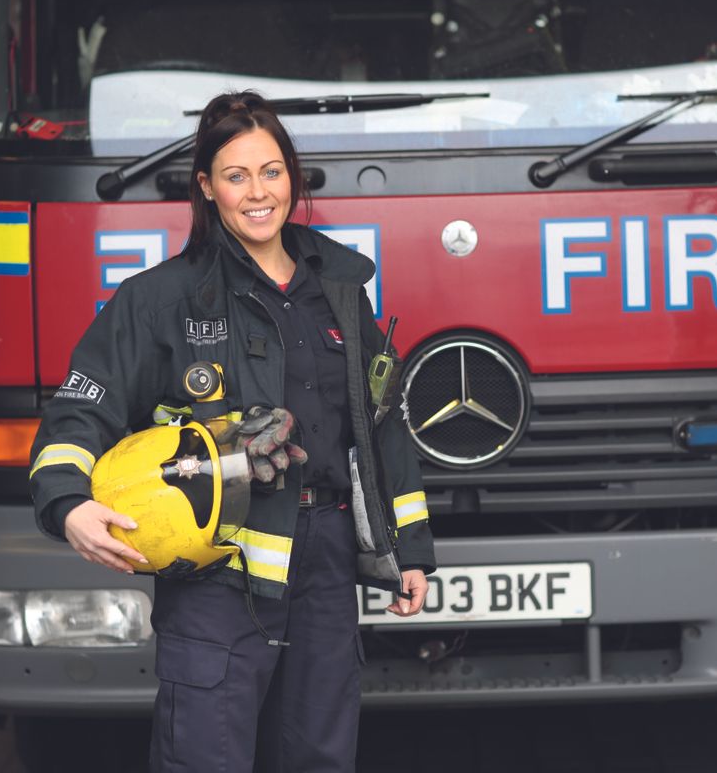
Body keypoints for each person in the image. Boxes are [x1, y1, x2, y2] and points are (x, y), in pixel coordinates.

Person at [28, 90, 435, 772]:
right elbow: (82, 407)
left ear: (293, 179)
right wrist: (67, 503)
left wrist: (410, 548)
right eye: (236, 175)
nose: (258, 192)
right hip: (218, 574)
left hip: (327, 565)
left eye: (271, 172)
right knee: (205, 758)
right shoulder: (161, 300)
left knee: (318, 757)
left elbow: (378, 422)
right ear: (207, 187)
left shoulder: (338, 288)